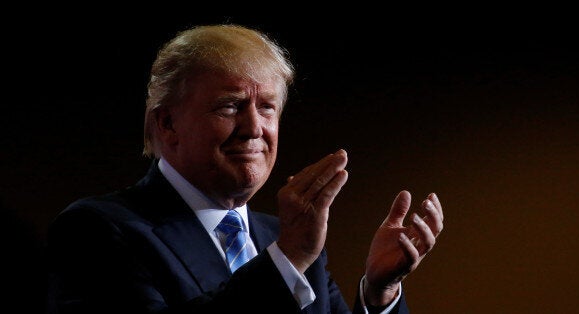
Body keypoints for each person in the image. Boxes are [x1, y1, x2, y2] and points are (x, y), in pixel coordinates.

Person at [45, 24, 444, 314]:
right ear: (167, 123)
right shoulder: (97, 229)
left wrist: (379, 292)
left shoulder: (281, 236)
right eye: (230, 105)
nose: (255, 128)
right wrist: (286, 259)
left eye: (267, 106)